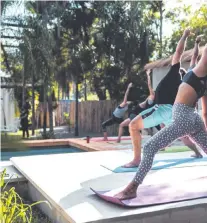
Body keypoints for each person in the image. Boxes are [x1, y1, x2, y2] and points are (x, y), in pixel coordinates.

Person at [114, 30, 207, 200]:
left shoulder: (193, 73)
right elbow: (205, 112)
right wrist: (193, 43)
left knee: (149, 148)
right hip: (195, 118)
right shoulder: (202, 80)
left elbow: (193, 55)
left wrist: (186, 36)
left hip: (182, 117)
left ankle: (132, 188)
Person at [122, 30, 202, 168]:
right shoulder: (187, 83)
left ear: (178, 72)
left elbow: (178, 53)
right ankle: (198, 153)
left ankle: (136, 160)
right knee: (184, 135)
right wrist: (196, 43)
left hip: (163, 109)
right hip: (176, 113)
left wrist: (184, 35)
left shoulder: (174, 74)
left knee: (133, 126)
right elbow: (194, 59)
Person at [116, 70, 160, 143]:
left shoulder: (152, 97)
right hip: (139, 116)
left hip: (137, 116)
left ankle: (122, 139)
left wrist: (148, 75)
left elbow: (149, 85)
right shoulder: (148, 101)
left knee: (132, 126)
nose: (150, 94)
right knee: (122, 125)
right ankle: (118, 139)